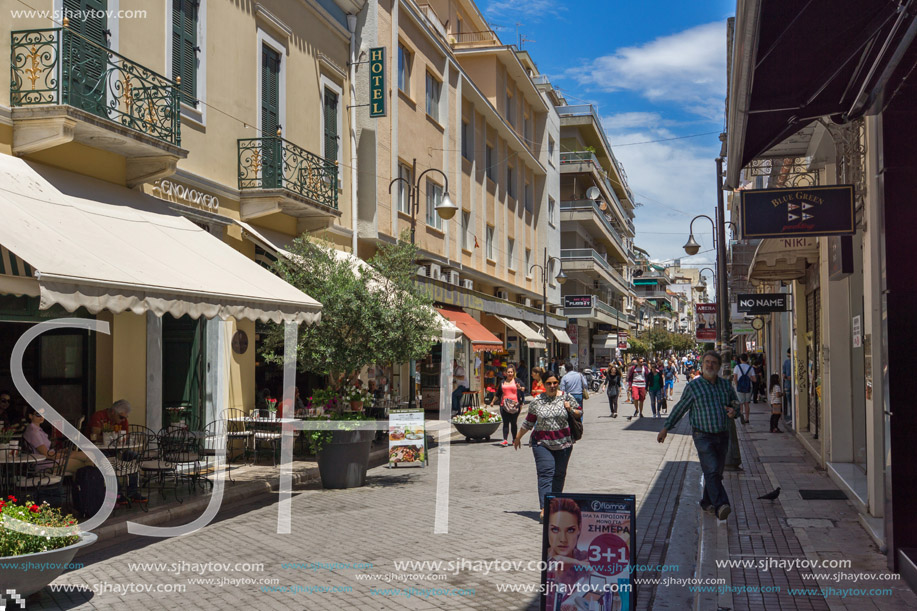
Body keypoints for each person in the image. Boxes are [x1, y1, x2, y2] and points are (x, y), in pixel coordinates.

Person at [657, 351, 740, 520]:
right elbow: (681, 408)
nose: (710, 365)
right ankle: (721, 504)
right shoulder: (694, 386)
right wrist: (666, 428)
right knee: (710, 469)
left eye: (713, 363)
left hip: (722, 434)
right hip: (702, 435)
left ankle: (706, 502)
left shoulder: (725, 385)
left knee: (716, 471)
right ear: (702, 365)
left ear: (718, 366)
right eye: (707, 362)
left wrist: (735, 411)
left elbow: (735, 402)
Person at [514, 371, 581, 521]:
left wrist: (570, 408)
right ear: (543, 385)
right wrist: (518, 437)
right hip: (542, 443)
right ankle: (545, 507)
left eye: (554, 383)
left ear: (558, 383)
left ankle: (554, 505)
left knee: (559, 475)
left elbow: (579, 413)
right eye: (548, 383)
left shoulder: (566, 397)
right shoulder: (537, 401)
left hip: (564, 443)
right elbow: (528, 422)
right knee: (545, 473)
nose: (552, 386)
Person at [545, 497, 593, 611]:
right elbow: (556, 559)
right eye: (555, 529)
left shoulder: (586, 557)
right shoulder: (547, 559)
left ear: (579, 529)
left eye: (570, 530)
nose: (563, 539)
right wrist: (578, 562)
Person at [22, 406, 93, 475]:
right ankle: (83, 484)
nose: (41, 416)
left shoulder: (37, 429)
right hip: (45, 464)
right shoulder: (33, 431)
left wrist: (61, 451)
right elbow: (46, 454)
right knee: (84, 465)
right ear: (30, 416)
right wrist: (65, 455)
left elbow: (48, 451)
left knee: (90, 457)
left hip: (52, 460)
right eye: (38, 414)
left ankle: (81, 483)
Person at [493, 365, 525, 447]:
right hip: (504, 405)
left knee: (514, 423)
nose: (510, 373)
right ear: (505, 373)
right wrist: (493, 402)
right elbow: (498, 393)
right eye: (508, 372)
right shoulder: (502, 382)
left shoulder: (517, 381)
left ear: (513, 373)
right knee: (505, 423)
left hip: (514, 405)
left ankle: (514, 439)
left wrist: (520, 388)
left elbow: (524, 389)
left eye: (511, 372)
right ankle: (505, 440)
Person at [732, 353, 756, 424]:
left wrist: (737, 386)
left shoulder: (737, 367)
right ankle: (747, 418)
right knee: (747, 403)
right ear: (747, 359)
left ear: (740, 359)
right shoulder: (750, 368)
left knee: (741, 403)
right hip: (749, 387)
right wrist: (749, 378)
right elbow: (754, 379)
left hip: (740, 387)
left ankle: (741, 415)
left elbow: (735, 378)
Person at [782, 348, 793, 421]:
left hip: (787, 385)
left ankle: (792, 416)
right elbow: (783, 374)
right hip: (789, 385)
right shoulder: (787, 362)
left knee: (790, 401)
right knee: (791, 401)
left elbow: (783, 374)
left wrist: (786, 377)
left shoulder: (786, 362)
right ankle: (792, 416)